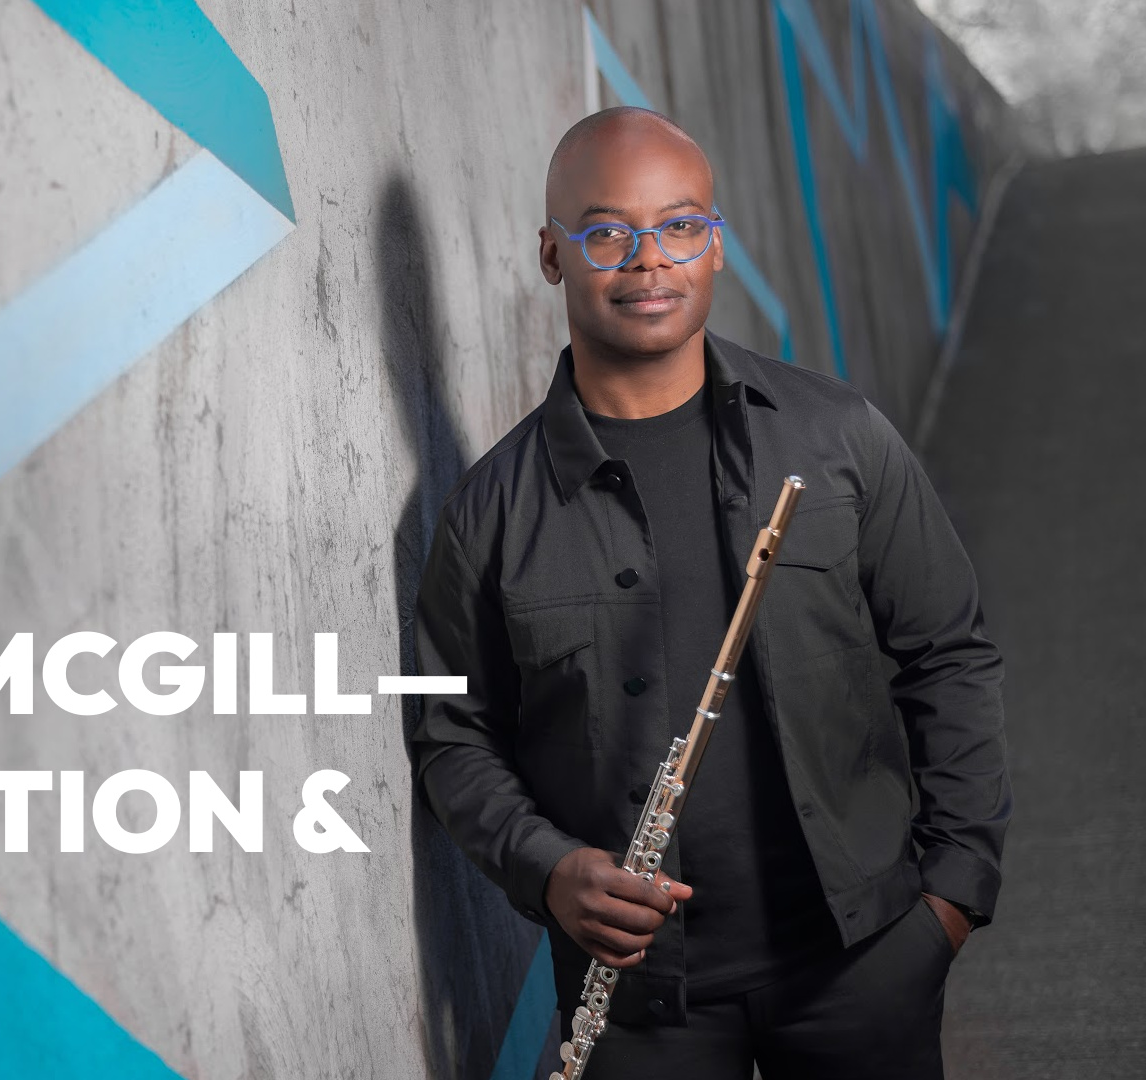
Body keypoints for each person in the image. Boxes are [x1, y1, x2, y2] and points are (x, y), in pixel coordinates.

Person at [406, 106, 1010, 1079]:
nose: (650, 261)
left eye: (681, 225)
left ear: (716, 245)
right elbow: (448, 733)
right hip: (641, 1007)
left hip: (863, 962)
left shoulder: (837, 437)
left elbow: (948, 653)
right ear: (553, 255)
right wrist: (550, 870)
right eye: (608, 233)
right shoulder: (490, 512)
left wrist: (950, 895)